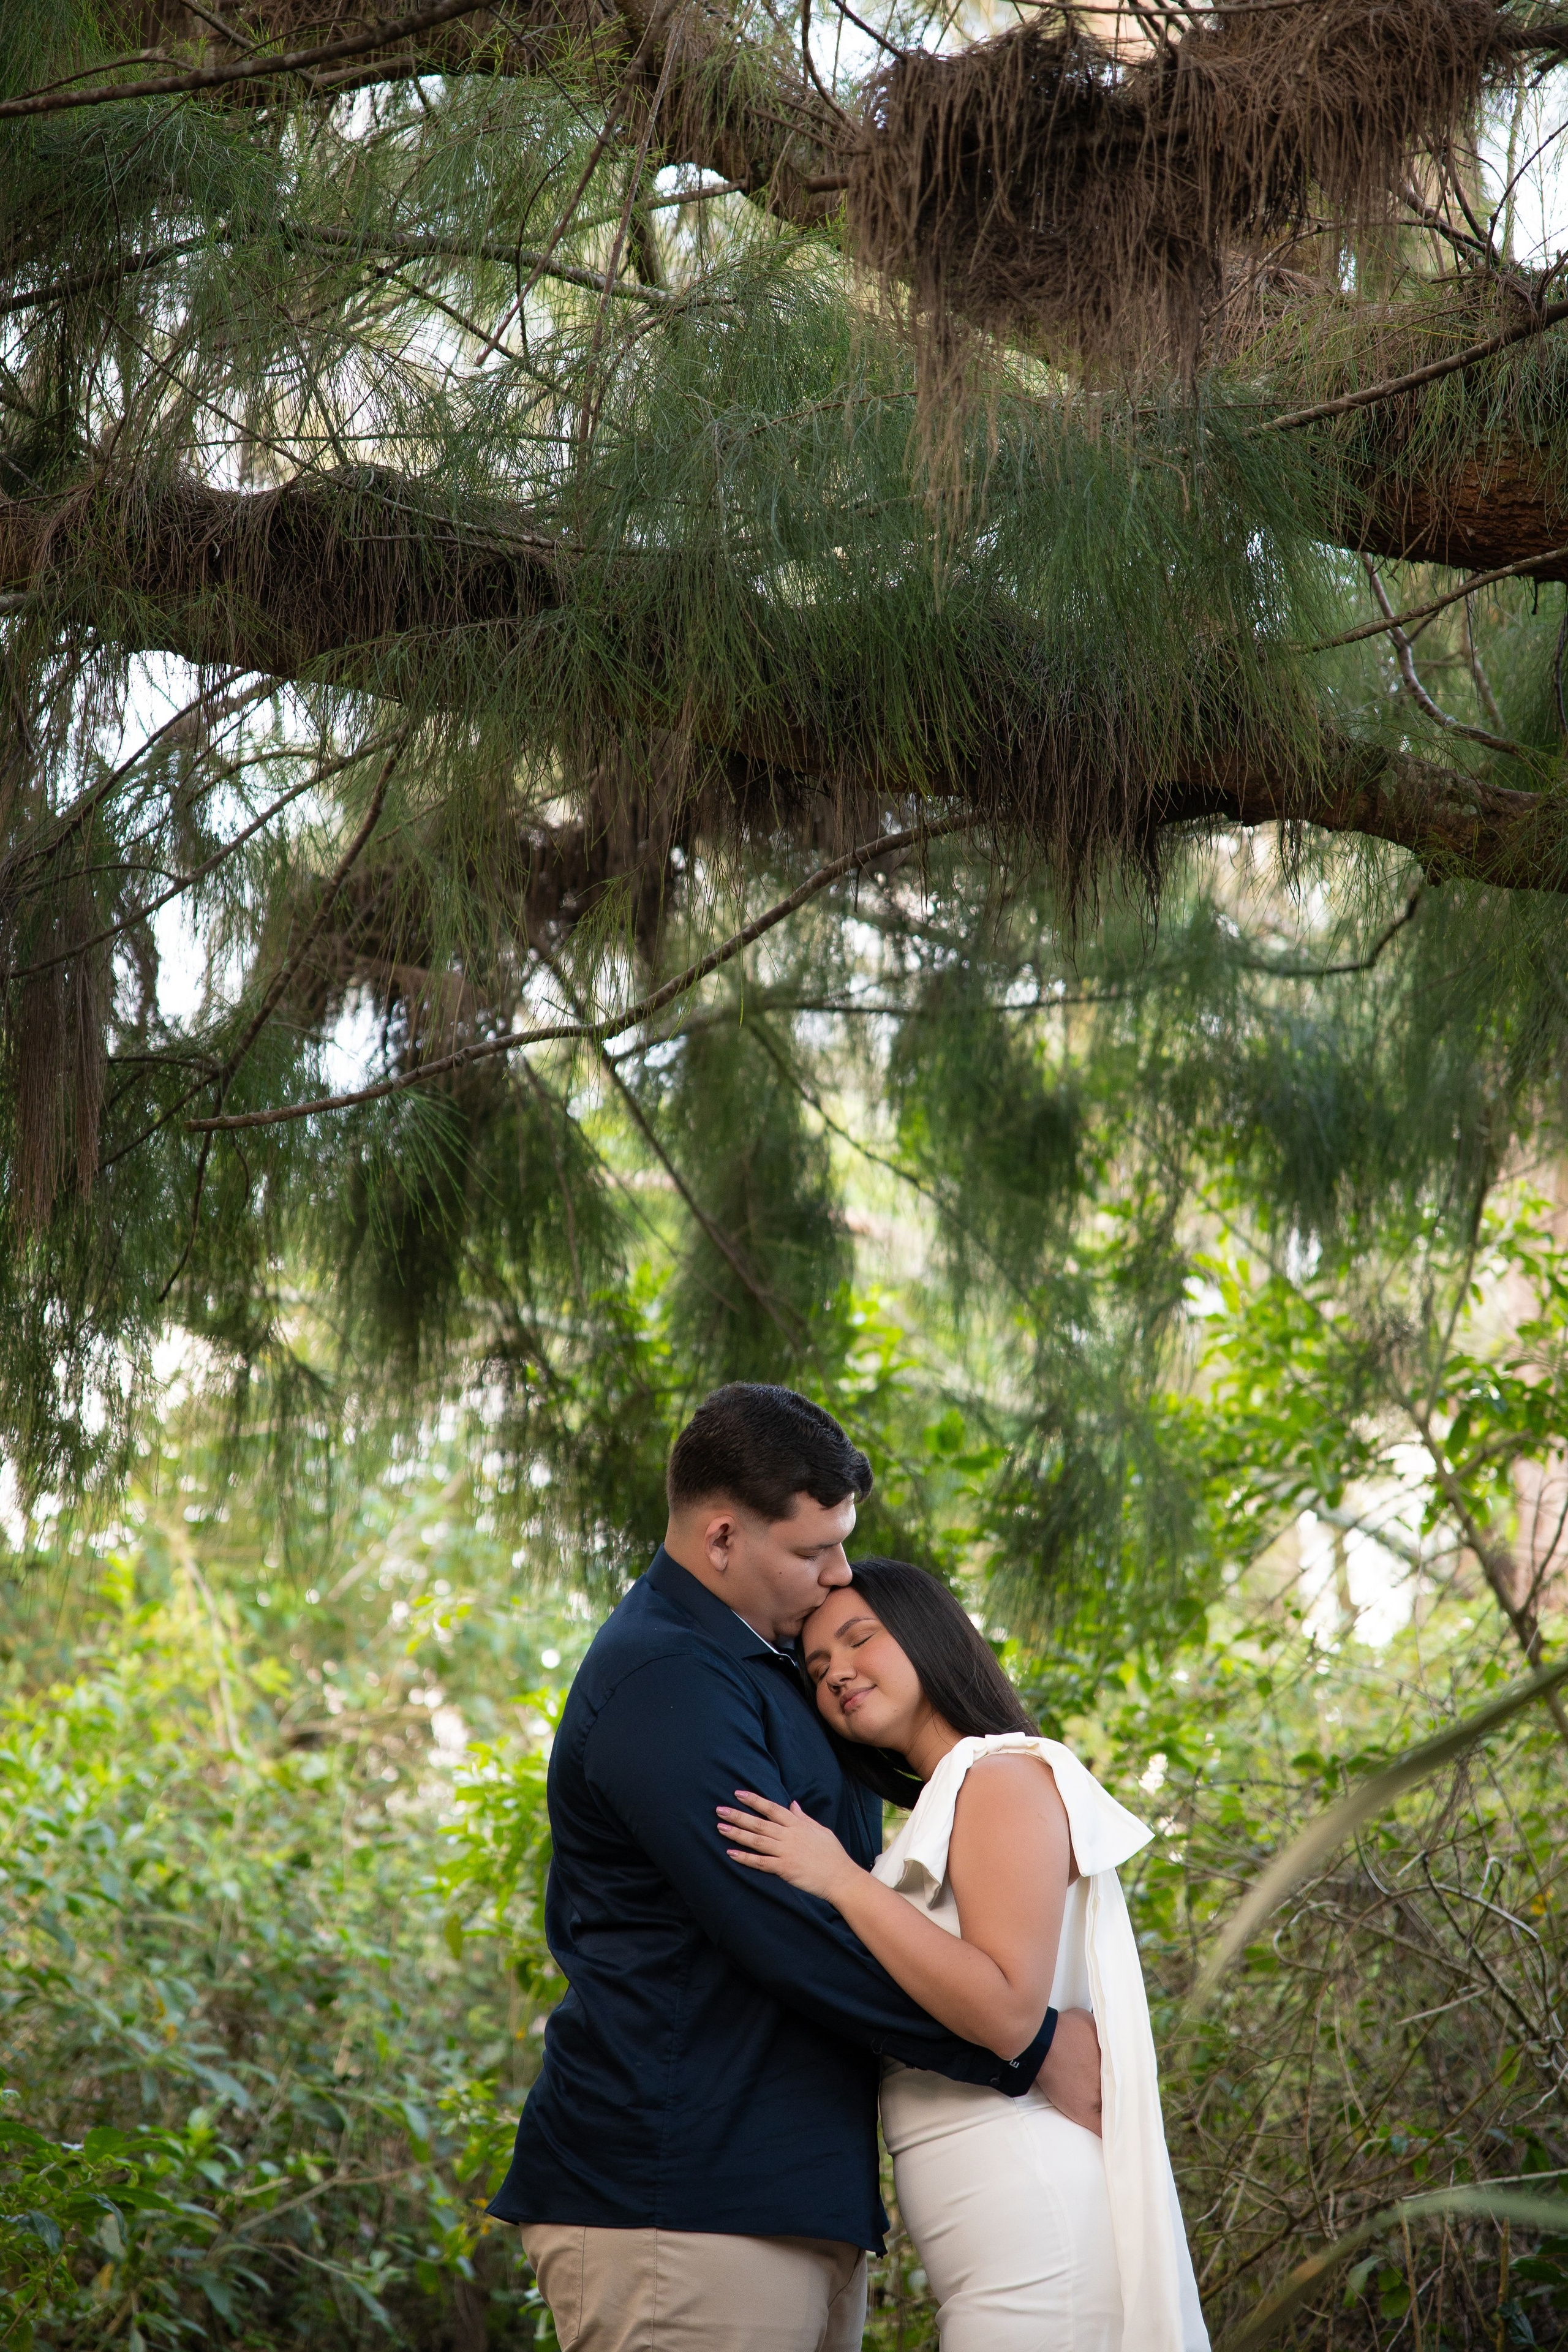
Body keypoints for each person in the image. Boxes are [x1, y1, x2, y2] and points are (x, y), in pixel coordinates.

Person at [488, 1386, 1101, 2352]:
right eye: (815, 1551)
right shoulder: (666, 1679)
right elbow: (782, 1926)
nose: (839, 1573)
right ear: (722, 1538)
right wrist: (1021, 2050)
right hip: (683, 2197)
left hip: (788, 2194)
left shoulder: (769, 1672)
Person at [719, 1556, 1210, 2352]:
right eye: (817, 1665)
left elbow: (1008, 2009)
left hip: (1038, 2223)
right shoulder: (945, 1800)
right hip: (994, 2234)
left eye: (860, 1639)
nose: (836, 1672)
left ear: (927, 1636)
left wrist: (839, 1880)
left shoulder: (1000, 1777)